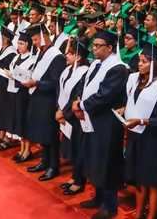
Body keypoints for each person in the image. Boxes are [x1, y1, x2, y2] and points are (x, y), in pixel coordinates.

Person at [72, 30, 128, 219]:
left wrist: (81, 105)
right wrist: (78, 100)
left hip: (108, 122)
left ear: (110, 48)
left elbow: (106, 95)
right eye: (93, 45)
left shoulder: (118, 68)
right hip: (91, 118)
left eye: (98, 46)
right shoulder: (96, 64)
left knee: (106, 162)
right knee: (93, 158)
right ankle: (98, 197)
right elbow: (83, 85)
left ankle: (109, 205)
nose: (94, 49)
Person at [122, 44, 157, 219]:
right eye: (139, 61)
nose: (140, 64)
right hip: (135, 136)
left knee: (151, 181)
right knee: (138, 178)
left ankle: (151, 215)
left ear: (154, 64)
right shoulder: (135, 80)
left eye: (144, 62)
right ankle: (138, 213)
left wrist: (142, 121)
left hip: (153, 139)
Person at [24, 23, 66, 181]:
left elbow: (56, 83)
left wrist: (36, 84)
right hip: (38, 97)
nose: (34, 43)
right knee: (41, 133)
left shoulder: (56, 56)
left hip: (49, 101)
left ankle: (53, 166)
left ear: (44, 37)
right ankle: (44, 161)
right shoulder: (42, 52)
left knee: (50, 135)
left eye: (35, 39)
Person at [56, 38, 90, 195]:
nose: (66, 56)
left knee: (79, 148)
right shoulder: (67, 70)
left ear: (78, 56)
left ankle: (79, 180)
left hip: (76, 117)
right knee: (71, 147)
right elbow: (60, 91)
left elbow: (77, 96)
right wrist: (59, 109)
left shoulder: (84, 73)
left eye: (69, 53)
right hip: (65, 115)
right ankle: (74, 176)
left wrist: (65, 113)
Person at [8, 31, 36, 163]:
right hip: (14, 91)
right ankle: (21, 148)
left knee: (25, 121)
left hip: (25, 93)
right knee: (18, 120)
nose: (19, 46)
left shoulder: (32, 59)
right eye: (18, 43)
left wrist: (15, 75)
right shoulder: (16, 57)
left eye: (22, 43)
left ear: (28, 44)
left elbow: (29, 76)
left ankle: (27, 150)